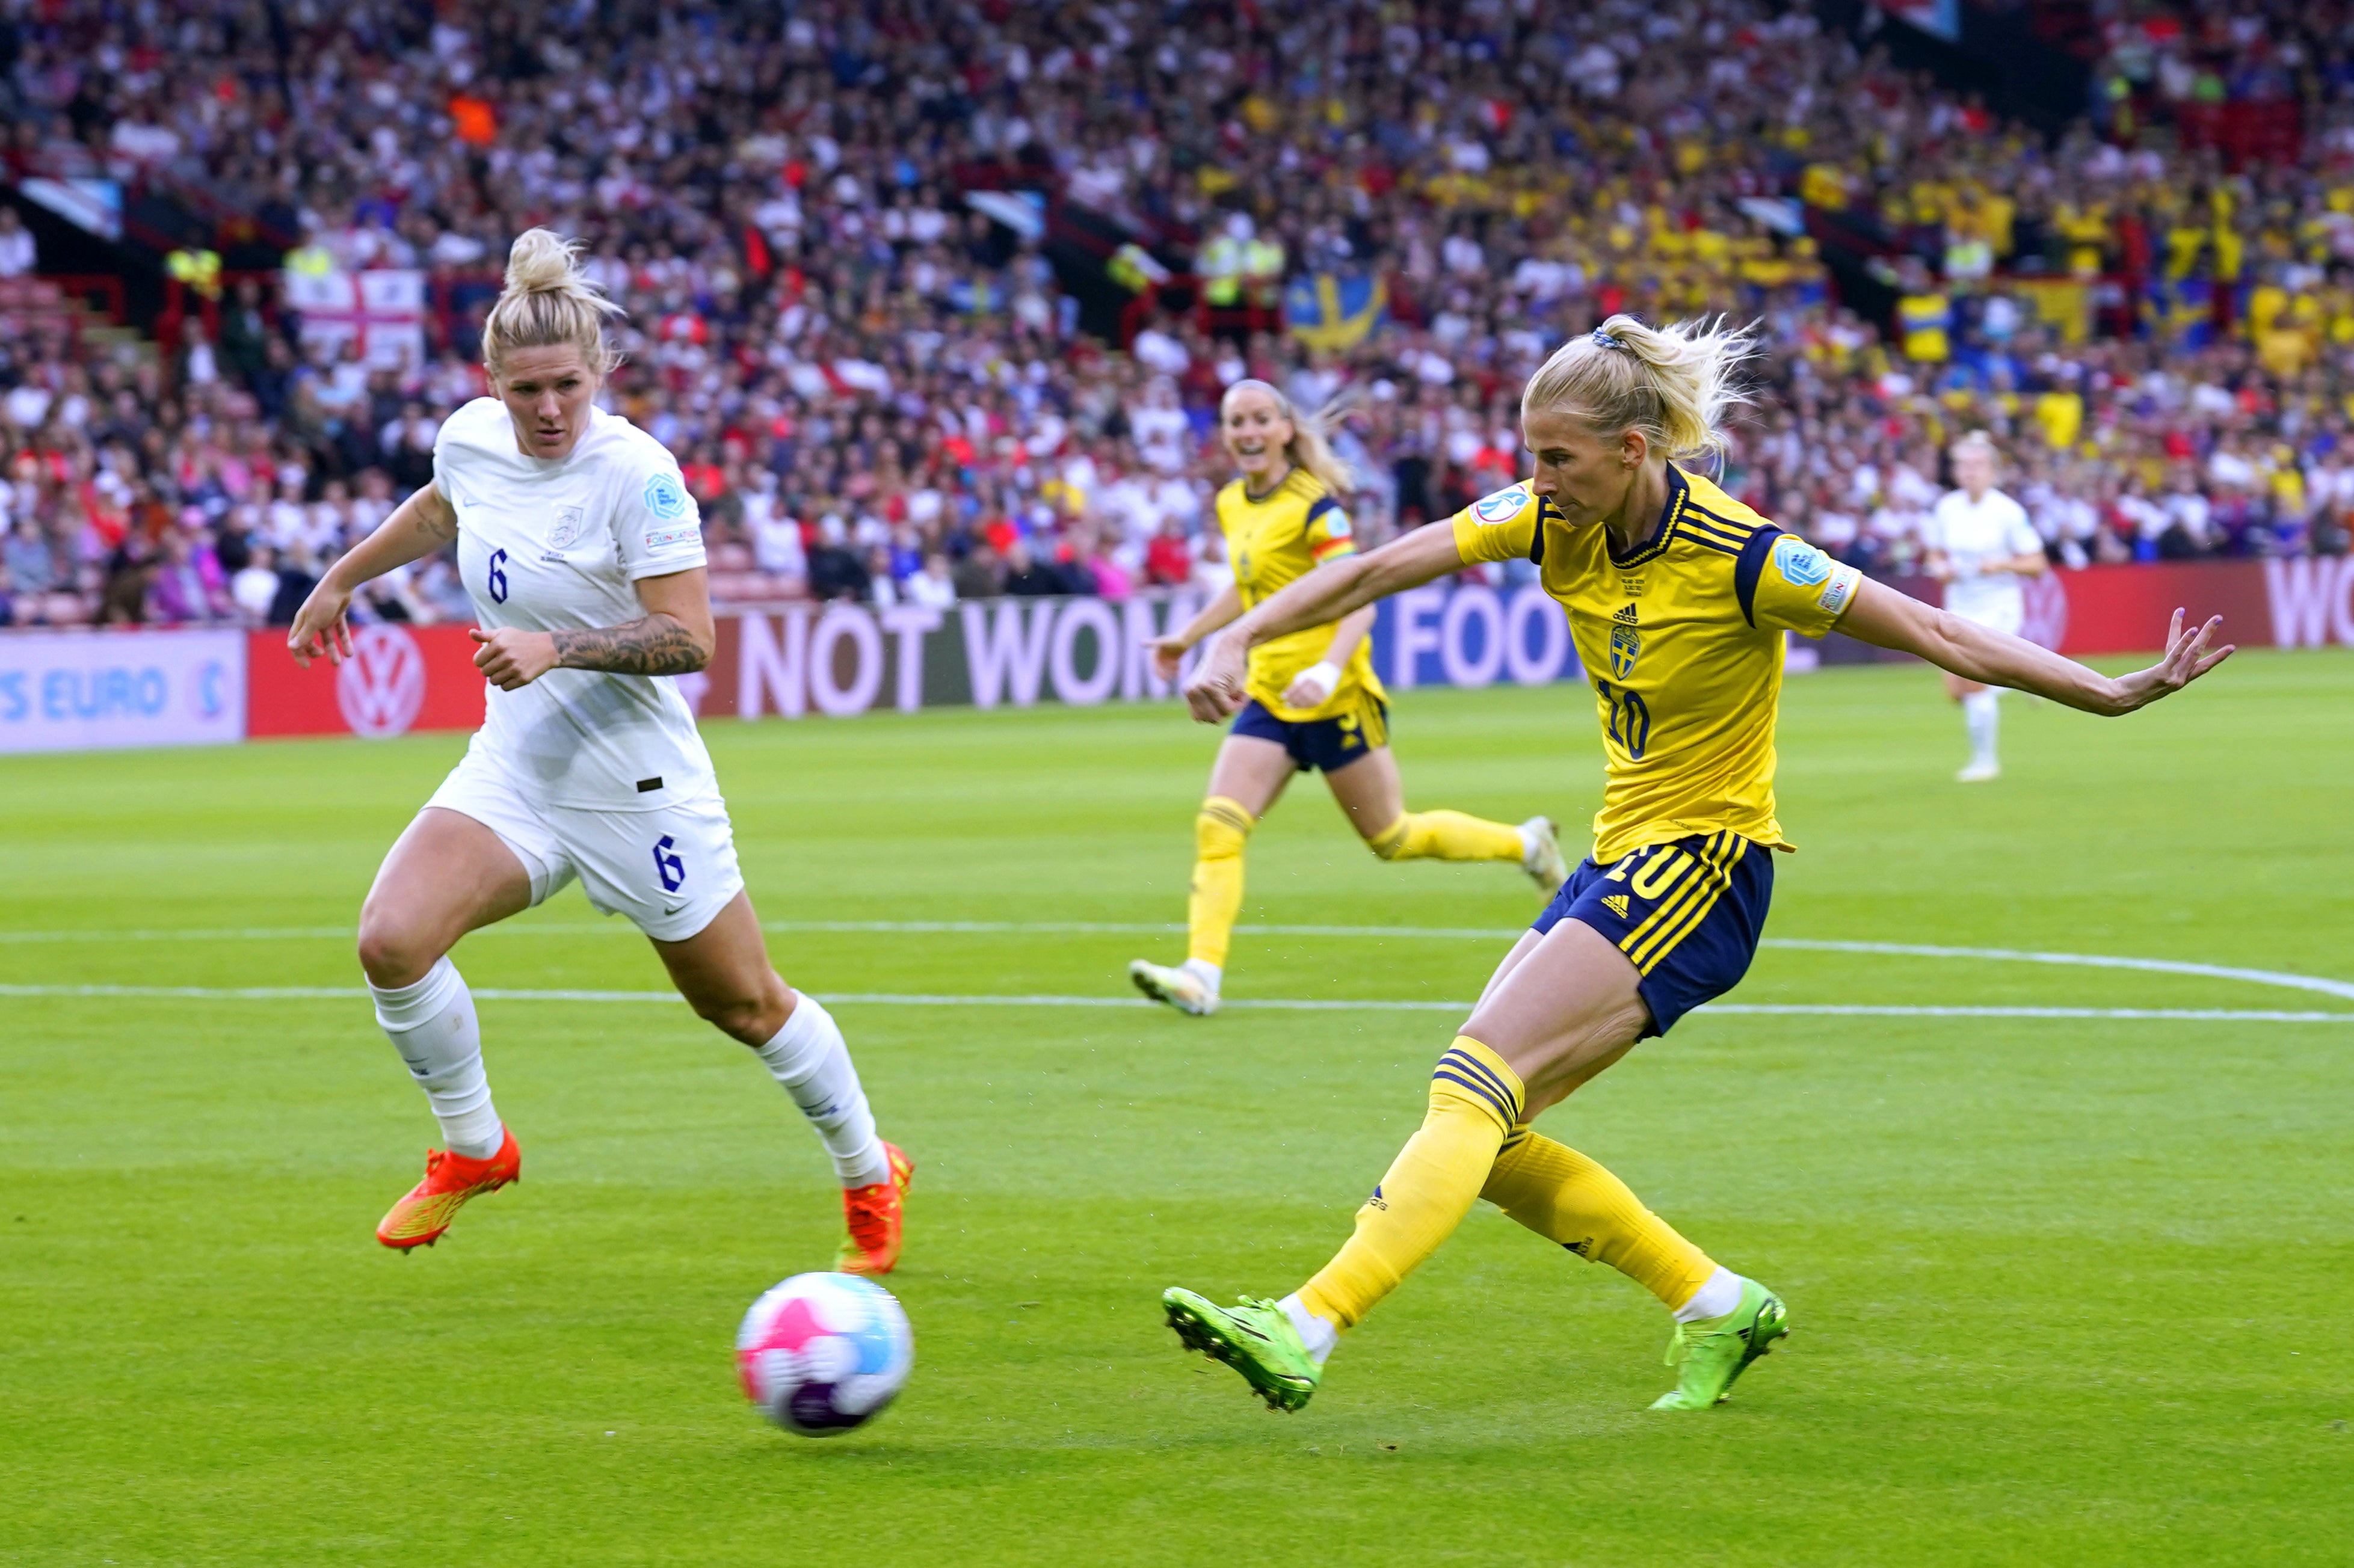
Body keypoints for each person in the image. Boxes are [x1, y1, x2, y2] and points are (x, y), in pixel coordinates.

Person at [1158, 316, 2230, 1415]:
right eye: (1531, 453)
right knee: (1488, 1127)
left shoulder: (1747, 555)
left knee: (1468, 1085)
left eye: (1559, 457)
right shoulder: (1542, 517)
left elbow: (1934, 631)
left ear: (1633, 451)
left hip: (1704, 865)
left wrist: (2103, 691)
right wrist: (1237, 637)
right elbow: (1379, 568)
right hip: (1624, 852)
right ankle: (1715, 1303)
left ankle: (1303, 1325)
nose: (1538, 479)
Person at [285, 230, 912, 1267]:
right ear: (491, 383)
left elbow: (689, 637)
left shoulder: (641, 475)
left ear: (601, 373)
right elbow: (441, 508)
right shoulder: (472, 439)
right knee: (390, 939)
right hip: (519, 767)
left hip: (638, 782)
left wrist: (557, 647)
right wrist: (344, 577)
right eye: (524, 388)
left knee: (744, 1003)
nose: (545, 410)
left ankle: (866, 1168)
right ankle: (476, 1149)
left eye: (565, 386)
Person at [1127, 379, 1568, 1018]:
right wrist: (1189, 637)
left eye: (1258, 420)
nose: (1246, 433)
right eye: (1234, 422)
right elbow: (1252, 587)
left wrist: (1331, 671)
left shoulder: (1315, 507)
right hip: (1270, 695)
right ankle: (1201, 975)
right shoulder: (1231, 503)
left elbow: (1357, 592)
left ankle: (1527, 846)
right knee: (1218, 822)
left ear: (1284, 429)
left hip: (1334, 697)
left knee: (1391, 837)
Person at [1924, 431, 2048, 781]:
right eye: (1963, 466)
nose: (1969, 472)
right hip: (1959, 605)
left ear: (1992, 471)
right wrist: (1938, 568)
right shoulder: (1947, 508)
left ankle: (1985, 762)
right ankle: (2025, 679)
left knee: (1973, 680)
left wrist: (2002, 565)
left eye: (1977, 466)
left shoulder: (2007, 512)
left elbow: (2037, 563)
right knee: (1956, 690)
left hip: (1999, 607)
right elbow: (1935, 552)